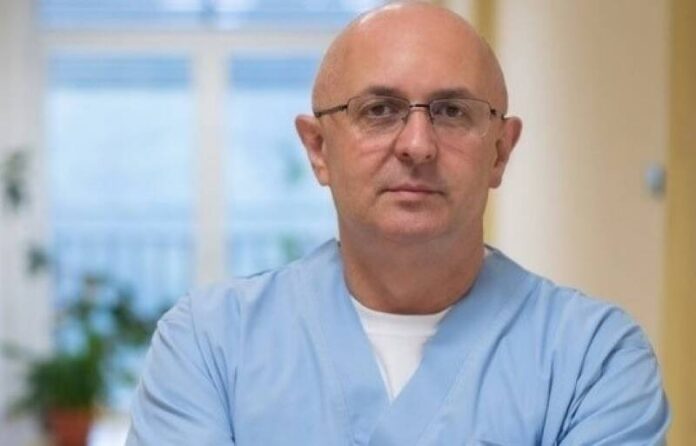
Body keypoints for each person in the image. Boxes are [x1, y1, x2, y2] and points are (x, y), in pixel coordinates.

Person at [126, 2, 669, 445]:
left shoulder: (593, 359)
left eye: (452, 111)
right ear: (318, 149)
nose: (416, 145)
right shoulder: (210, 345)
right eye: (379, 110)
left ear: (500, 151)